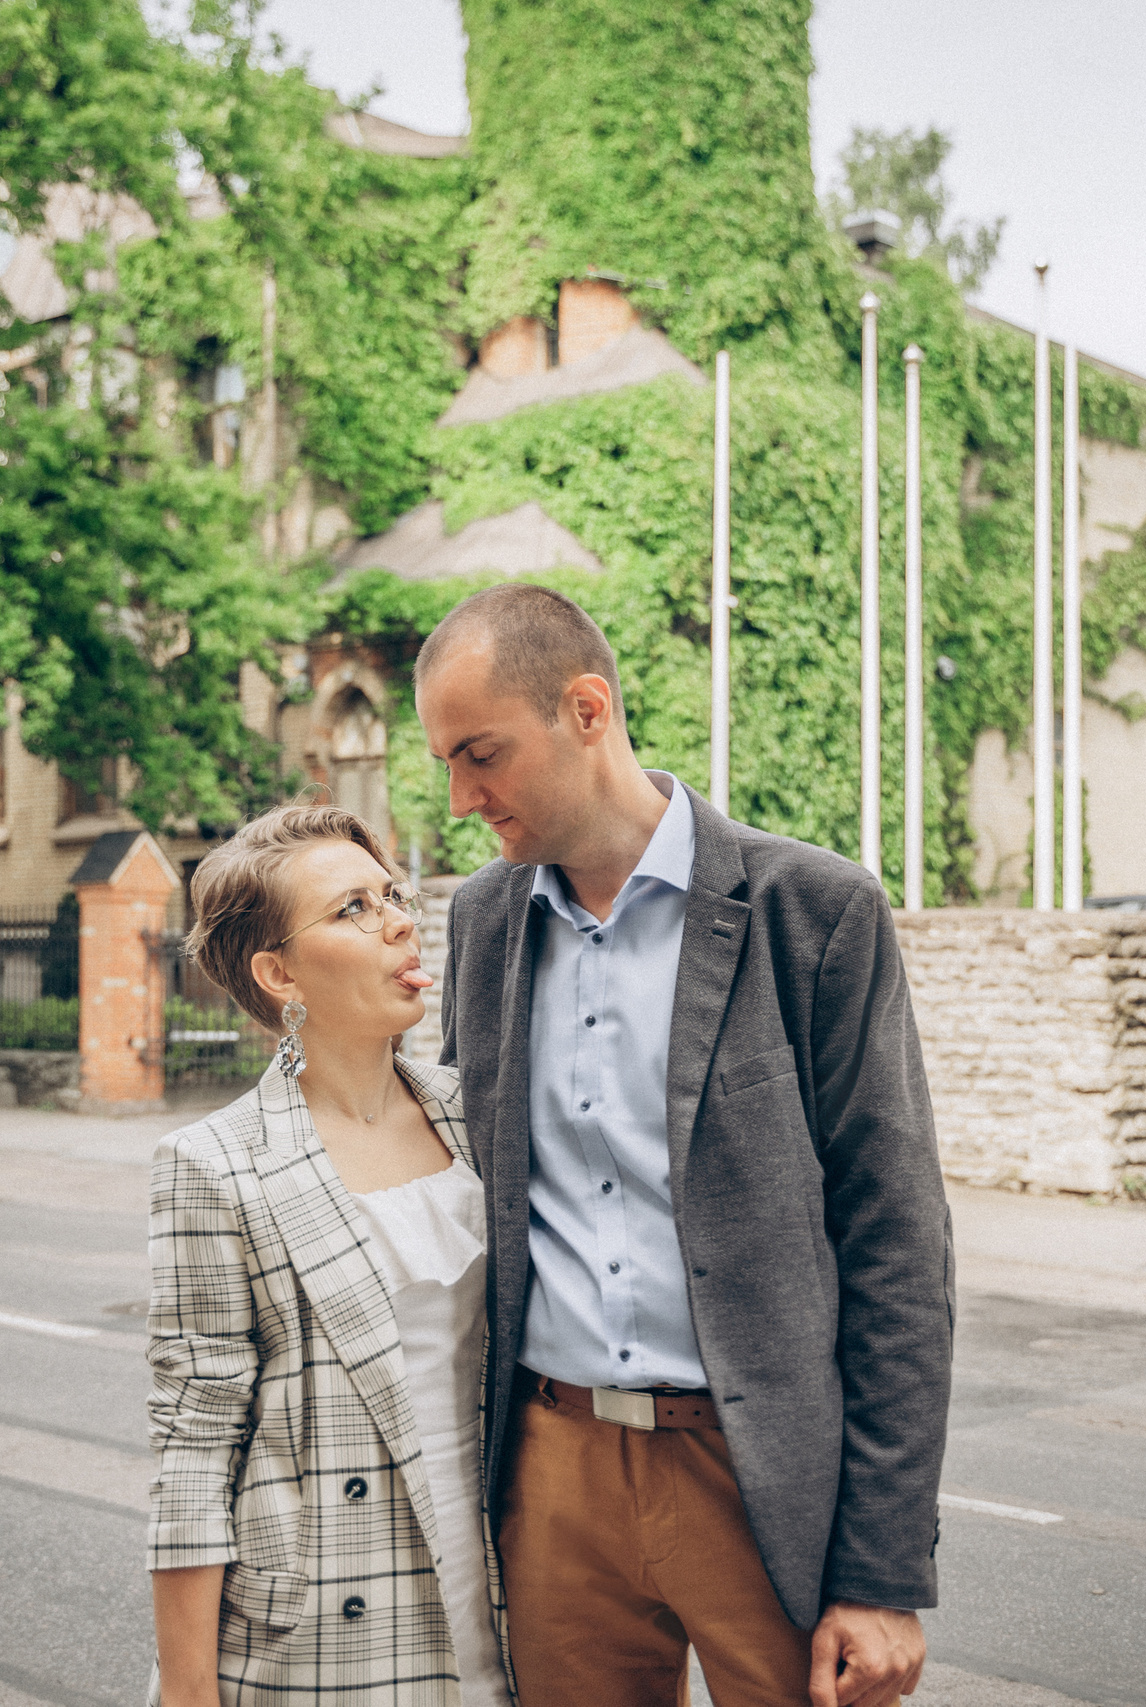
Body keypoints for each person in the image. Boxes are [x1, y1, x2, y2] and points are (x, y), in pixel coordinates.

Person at [415, 582, 954, 1707]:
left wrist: (883, 1571)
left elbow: (897, 1244)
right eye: (449, 765)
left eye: (481, 755)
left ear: (586, 709)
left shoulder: (815, 910)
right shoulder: (480, 924)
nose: (463, 798)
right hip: (550, 1470)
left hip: (758, 1472)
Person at [146, 802, 512, 1707]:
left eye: (392, 893)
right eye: (351, 908)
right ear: (279, 972)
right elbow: (194, 1450)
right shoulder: (215, 1164)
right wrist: (189, 1693)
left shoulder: (480, 1115)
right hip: (320, 1626)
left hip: (504, 1588)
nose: (397, 920)